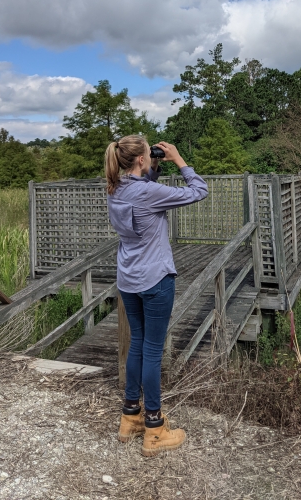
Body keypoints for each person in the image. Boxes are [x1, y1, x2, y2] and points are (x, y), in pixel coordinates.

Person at [105, 135, 208, 457]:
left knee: (138, 342)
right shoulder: (147, 192)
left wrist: (154, 166)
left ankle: (129, 418)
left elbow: (143, 187)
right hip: (155, 279)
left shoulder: (115, 188)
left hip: (128, 279)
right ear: (140, 159)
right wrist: (179, 159)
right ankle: (154, 428)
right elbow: (198, 191)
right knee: (152, 350)